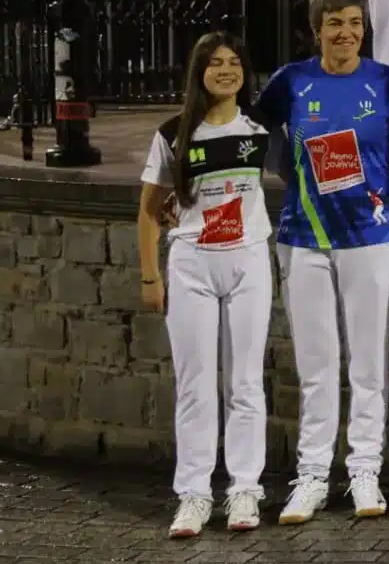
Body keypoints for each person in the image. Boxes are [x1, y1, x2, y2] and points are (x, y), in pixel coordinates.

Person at [251, 0, 389, 523]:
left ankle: (365, 471)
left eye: (354, 23)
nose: (345, 33)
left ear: (364, 29)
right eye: (334, 24)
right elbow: (259, 132)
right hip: (304, 236)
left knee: (368, 363)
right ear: (316, 30)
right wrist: (289, 170)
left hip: (373, 236)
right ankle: (312, 476)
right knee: (316, 365)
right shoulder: (291, 81)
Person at [138, 32, 273, 538]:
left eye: (234, 62)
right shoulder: (173, 133)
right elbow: (149, 211)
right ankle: (193, 493)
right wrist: (150, 275)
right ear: (199, 72)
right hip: (192, 264)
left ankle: (244, 488)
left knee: (245, 383)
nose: (225, 70)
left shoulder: (260, 129)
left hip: (248, 261)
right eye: (215, 63)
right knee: (195, 385)